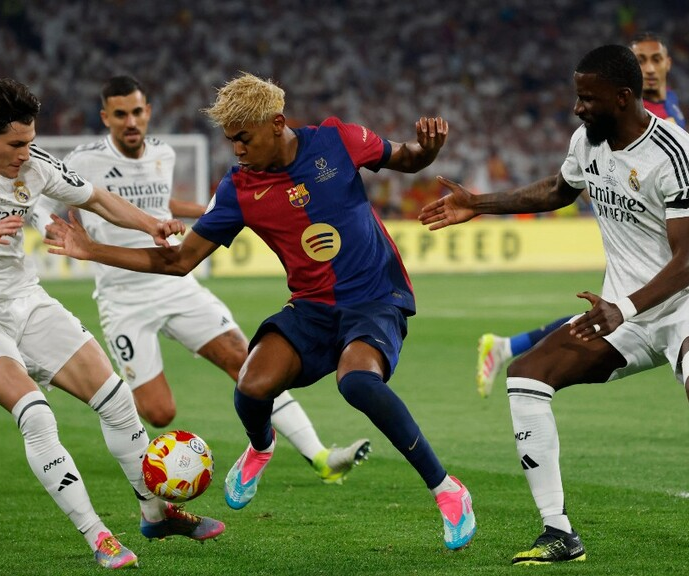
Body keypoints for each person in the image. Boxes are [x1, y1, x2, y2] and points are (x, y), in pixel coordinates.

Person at [419, 45, 689, 566]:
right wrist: (478, 203)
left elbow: (687, 261)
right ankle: (559, 532)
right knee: (526, 377)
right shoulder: (587, 142)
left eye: (587, 99)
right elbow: (558, 190)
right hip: (626, 312)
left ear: (622, 97)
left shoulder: (674, 152)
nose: (577, 108)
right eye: (577, 97)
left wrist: (624, 308)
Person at [45, 72, 477, 551]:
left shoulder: (338, 139)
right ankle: (261, 447)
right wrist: (91, 250)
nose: (237, 150)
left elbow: (407, 158)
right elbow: (179, 261)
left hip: (374, 297)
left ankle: (447, 490)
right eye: (230, 140)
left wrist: (428, 150)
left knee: (357, 381)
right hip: (312, 306)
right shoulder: (239, 188)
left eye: (244, 138)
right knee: (251, 385)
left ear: (276, 123)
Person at [0, 78, 224, 570]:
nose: (25, 153)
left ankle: (155, 513)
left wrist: (151, 224)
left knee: (116, 398)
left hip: (24, 300)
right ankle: (98, 536)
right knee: (36, 415)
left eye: (30, 141)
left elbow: (98, 198)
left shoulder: (34, 164)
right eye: (16, 144)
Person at [31, 75, 370, 484]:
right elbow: (39, 198)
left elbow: (159, 200)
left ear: (148, 112)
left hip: (176, 285)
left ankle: (320, 457)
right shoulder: (84, 160)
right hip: (122, 298)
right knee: (159, 412)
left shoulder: (164, 153)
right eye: (120, 115)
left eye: (137, 112)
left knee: (245, 360)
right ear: (106, 118)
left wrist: (213, 213)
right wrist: (49, 229)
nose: (131, 122)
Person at [473, 32, 689, 439]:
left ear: (668, 63)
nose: (649, 68)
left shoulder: (669, 109)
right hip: (646, 255)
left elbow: (668, 165)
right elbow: (587, 178)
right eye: (641, 60)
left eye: (656, 59)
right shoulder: (617, 114)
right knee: (610, 317)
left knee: (676, 328)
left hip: (675, 246)